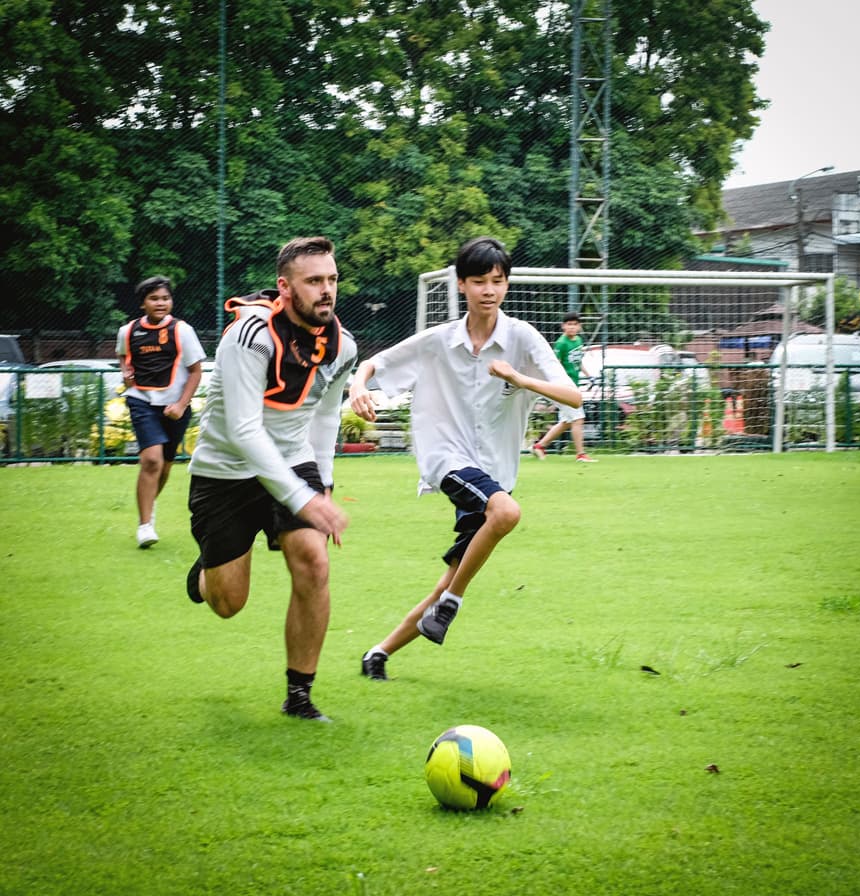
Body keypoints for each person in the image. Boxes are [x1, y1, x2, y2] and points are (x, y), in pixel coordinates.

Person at [350, 236, 582, 681]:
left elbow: (572, 395)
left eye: (497, 281)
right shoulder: (439, 340)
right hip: (446, 458)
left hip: (495, 470)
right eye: (479, 281)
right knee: (507, 511)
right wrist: (360, 387)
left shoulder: (523, 339)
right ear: (461, 285)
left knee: (452, 575)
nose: (489, 290)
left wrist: (520, 378)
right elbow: (373, 364)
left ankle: (378, 653)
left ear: (507, 284)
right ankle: (453, 604)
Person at [186, 236, 355, 721]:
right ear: (284, 287)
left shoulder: (342, 344)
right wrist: (302, 499)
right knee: (227, 603)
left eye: (332, 280)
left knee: (313, 562)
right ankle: (203, 576)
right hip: (225, 472)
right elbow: (243, 431)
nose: (327, 291)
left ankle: (299, 694)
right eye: (314, 281)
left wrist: (320, 485)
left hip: (292, 460)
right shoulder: (249, 336)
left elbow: (324, 415)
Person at [117, 276, 205, 548]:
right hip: (141, 401)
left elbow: (195, 371)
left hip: (175, 407)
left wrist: (180, 405)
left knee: (165, 465)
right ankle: (145, 526)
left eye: (165, 298)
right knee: (152, 461)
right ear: (143, 303)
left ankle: (149, 506)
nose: (161, 303)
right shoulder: (128, 331)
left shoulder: (183, 331)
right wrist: (125, 371)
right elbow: (122, 355)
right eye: (154, 298)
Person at [530, 310, 595, 463]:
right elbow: (554, 364)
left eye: (575, 324)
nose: (572, 327)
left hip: (573, 386)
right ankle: (581, 455)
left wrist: (588, 375)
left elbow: (578, 361)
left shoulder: (578, 341)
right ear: (563, 326)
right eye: (568, 324)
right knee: (578, 418)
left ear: (579, 326)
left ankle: (539, 446)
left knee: (567, 422)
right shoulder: (561, 343)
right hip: (564, 387)